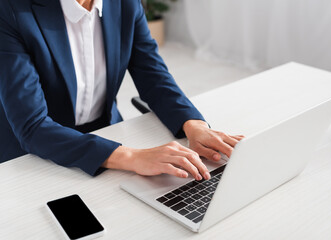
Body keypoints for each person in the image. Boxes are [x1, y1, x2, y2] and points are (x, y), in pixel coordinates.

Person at [0, 0, 243, 180]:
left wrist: (194, 125)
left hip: (107, 134)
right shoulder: (10, 10)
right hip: (33, 153)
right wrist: (132, 157)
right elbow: (32, 126)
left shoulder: (125, 3)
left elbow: (153, 76)